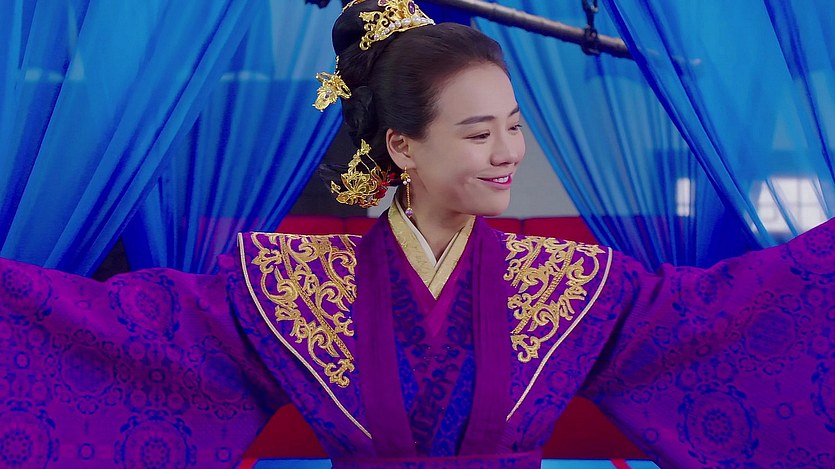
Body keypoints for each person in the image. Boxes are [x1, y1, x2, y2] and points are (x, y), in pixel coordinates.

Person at [0, 0, 833, 467]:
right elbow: (131, 337)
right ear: (402, 146)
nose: (509, 153)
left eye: (514, 125)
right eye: (478, 133)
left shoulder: (572, 282)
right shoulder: (287, 282)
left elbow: (720, 319)